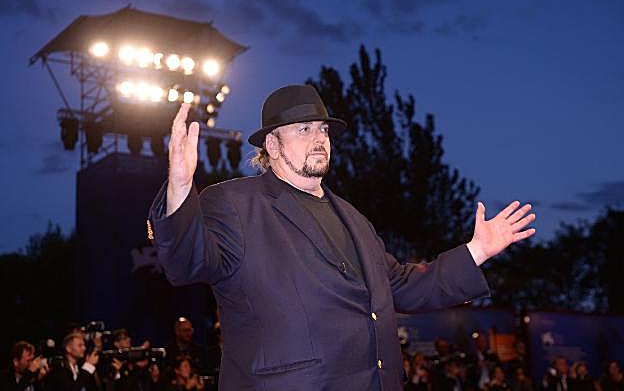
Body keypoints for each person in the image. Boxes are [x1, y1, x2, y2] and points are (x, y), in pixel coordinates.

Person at [148, 84, 536, 390]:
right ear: (273, 145)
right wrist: (180, 185)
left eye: (322, 129)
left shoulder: (354, 218)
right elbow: (185, 263)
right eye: (303, 130)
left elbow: (402, 287)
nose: (319, 138)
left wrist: (477, 250)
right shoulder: (235, 202)